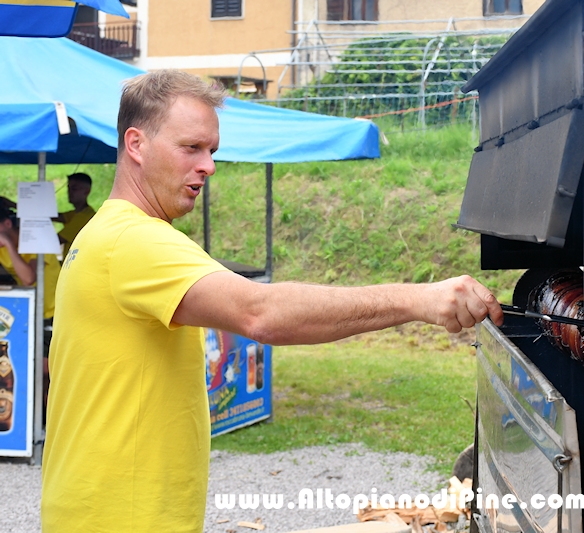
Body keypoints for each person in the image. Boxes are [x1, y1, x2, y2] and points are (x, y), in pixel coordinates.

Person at [40, 70, 503, 532]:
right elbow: (262, 314)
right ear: (137, 145)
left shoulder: (102, 232)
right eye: (192, 148)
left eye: (212, 151)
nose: (209, 166)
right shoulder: (132, 240)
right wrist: (418, 299)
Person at [0, 205, 61, 411]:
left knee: (43, 368)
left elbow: (28, 278)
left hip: (53, 315)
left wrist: (7, 243)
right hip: (28, 317)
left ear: (7, 224)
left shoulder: (35, 240)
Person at [54, 172, 95, 255]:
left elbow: (55, 241)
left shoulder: (84, 217)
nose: (69, 192)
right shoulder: (76, 213)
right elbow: (57, 217)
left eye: (74, 189)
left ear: (86, 191)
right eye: (68, 188)